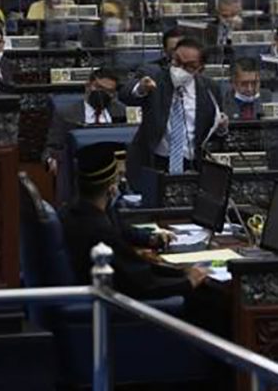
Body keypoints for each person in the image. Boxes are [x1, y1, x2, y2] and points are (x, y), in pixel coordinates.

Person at [61, 142, 207, 300]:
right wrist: (188, 282)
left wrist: (179, 271)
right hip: (112, 305)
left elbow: (135, 265)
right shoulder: (101, 230)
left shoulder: (70, 213)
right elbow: (144, 284)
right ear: (112, 188)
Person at [119, 37, 228, 189]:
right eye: (177, 61)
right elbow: (125, 94)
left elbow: (213, 134)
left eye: (189, 66)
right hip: (153, 162)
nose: (180, 69)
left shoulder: (210, 88)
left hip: (191, 165)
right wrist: (141, 88)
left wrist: (221, 128)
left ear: (200, 68)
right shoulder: (154, 76)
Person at [43, 67, 126, 176]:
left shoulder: (122, 112)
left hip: (113, 171)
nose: (102, 93)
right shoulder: (66, 114)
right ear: (88, 86)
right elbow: (52, 147)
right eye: (99, 87)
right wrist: (51, 161)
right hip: (78, 172)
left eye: (109, 91)